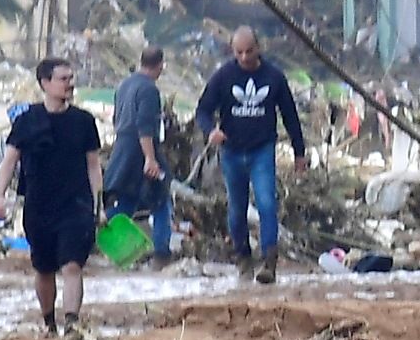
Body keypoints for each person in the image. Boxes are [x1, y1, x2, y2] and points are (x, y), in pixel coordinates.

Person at [0, 54, 107, 336]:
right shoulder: (27, 121)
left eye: (71, 78)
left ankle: (71, 323)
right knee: (44, 269)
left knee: (72, 265)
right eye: (63, 79)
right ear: (45, 83)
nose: (69, 84)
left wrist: (99, 205)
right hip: (39, 206)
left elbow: (94, 165)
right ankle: (49, 322)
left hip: (76, 205)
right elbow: (9, 161)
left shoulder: (83, 121)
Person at [193, 27, 308, 284]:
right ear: (233, 52)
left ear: (259, 48)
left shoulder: (274, 77)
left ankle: (269, 260)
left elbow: (290, 115)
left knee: (267, 203)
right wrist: (211, 130)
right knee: (237, 209)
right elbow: (202, 110)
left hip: (262, 150)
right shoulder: (224, 76)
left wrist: (300, 152)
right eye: (239, 52)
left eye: (249, 51)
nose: (244, 57)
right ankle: (243, 258)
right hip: (231, 151)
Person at [107, 44, 174, 265]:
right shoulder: (149, 90)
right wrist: (150, 159)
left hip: (122, 149)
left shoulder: (124, 85)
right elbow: (144, 126)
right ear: (160, 65)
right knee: (161, 200)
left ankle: (114, 247)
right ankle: (161, 253)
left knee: (127, 199)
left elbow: (116, 119)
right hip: (141, 151)